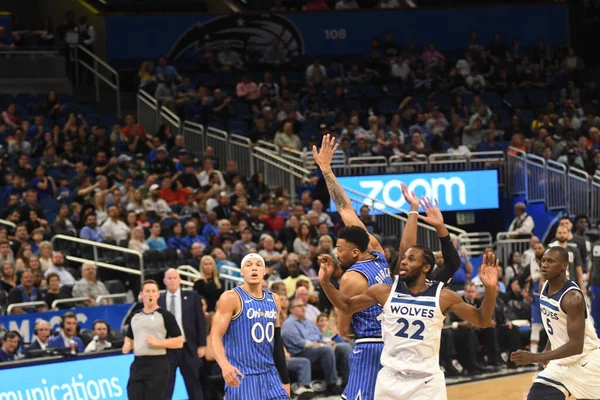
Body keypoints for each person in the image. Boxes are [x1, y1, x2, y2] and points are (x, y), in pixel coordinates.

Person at [312, 134, 460, 400]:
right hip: (398, 348)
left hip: (370, 349)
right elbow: (347, 210)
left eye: (340, 248)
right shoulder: (377, 252)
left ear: (354, 251)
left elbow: (345, 329)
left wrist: (326, 170)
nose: (337, 251)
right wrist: (412, 211)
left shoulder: (352, 277)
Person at [317, 250, 499, 400]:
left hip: (426, 383)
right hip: (390, 379)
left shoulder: (443, 296)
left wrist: (490, 289)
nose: (403, 262)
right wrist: (325, 282)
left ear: (426, 267)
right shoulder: (384, 291)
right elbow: (346, 306)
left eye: (411, 259)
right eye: (403, 258)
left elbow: (482, 320)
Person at [511, 246, 600, 400]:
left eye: (550, 261)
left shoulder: (572, 297)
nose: (544, 264)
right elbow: (555, 327)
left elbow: (576, 345)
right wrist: (547, 350)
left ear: (564, 266)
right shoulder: (545, 287)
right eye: (543, 260)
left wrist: (537, 356)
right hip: (560, 364)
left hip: (586, 362)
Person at [210, 253, 290, 399]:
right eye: (249, 265)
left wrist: (285, 380)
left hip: (271, 375)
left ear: (265, 271)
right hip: (243, 377)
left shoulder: (274, 299)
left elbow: (277, 342)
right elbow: (215, 336)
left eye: (258, 265)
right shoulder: (231, 297)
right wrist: (224, 365)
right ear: (241, 271)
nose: (254, 268)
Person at [123, 279, 184, 400]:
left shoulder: (165, 315)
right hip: (138, 364)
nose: (150, 294)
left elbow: (179, 341)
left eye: (153, 291)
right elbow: (129, 336)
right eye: (147, 291)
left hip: (157, 364)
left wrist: (158, 343)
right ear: (141, 294)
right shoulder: (135, 315)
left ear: (157, 295)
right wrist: (127, 344)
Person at [159, 269, 207, 400]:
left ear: (179, 280)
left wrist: (202, 345)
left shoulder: (192, 296)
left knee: (193, 384)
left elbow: (200, 322)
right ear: (164, 281)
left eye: (175, 278)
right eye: (169, 278)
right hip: (167, 349)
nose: (172, 280)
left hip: (188, 347)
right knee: (165, 386)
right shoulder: (159, 300)